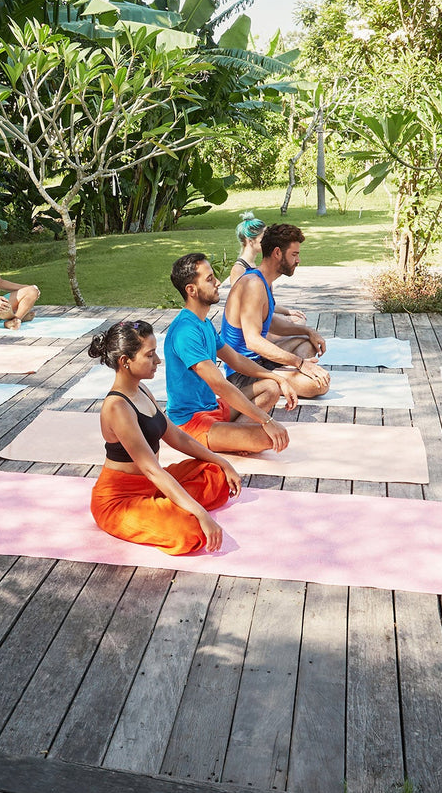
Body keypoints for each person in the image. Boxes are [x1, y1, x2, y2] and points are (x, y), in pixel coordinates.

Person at [89, 320, 241, 555]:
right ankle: (172, 509)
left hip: (152, 484)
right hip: (120, 500)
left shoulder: (142, 390)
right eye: (150, 355)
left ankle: (168, 504)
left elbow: (177, 437)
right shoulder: (117, 407)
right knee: (191, 531)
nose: (158, 361)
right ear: (125, 362)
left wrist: (224, 462)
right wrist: (200, 513)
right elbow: (151, 469)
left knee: (217, 476)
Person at [164, 253, 298, 454]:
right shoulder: (185, 332)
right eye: (210, 279)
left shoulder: (204, 323)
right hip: (190, 424)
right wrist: (266, 420)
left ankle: (234, 438)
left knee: (270, 387)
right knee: (270, 438)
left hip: (213, 409)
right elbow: (219, 384)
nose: (218, 282)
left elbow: (235, 359)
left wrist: (277, 378)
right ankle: (235, 439)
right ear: (191, 290)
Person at [222, 223, 331, 400]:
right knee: (318, 385)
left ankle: (287, 375)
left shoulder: (264, 280)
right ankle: (283, 378)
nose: (298, 260)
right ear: (277, 253)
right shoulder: (253, 284)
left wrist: (307, 330)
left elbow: (269, 321)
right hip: (243, 373)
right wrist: (299, 363)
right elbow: (253, 342)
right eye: (294, 254)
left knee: (308, 344)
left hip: (260, 361)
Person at [229, 212, 306, 330]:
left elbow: (264, 304)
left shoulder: (258, 270)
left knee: (301, 325)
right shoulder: (241, 271)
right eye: (262, 238)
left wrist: (287, 312)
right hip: (251, 327)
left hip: (260, 321)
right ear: (250, 240)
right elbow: (246, 310)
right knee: (299, 326)